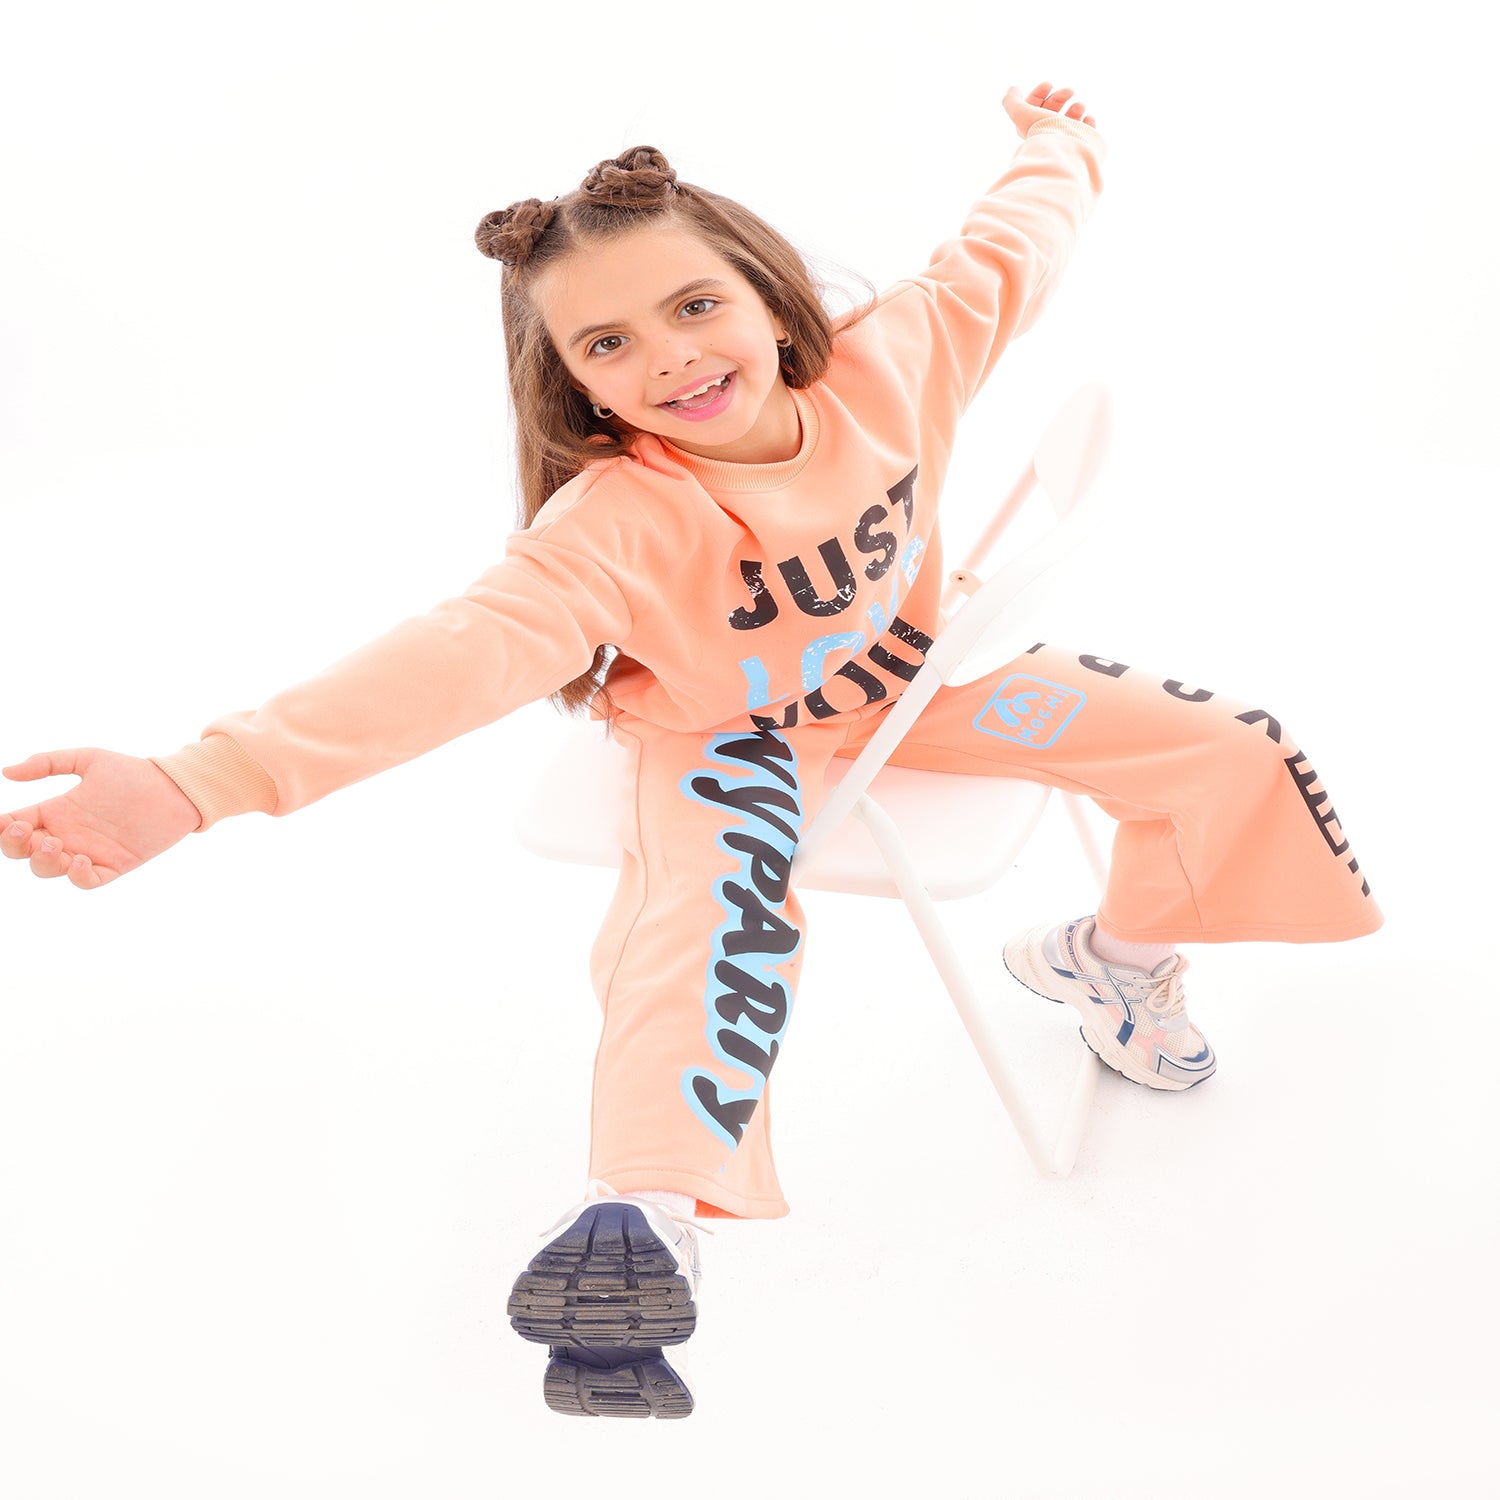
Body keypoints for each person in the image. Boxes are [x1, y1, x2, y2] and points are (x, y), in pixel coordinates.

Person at [1, 82, 1382, 1419]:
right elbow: (450, 657)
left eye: (695, 305)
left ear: (772, 299)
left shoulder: (899, 357)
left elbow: (1012, 251)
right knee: (704, 932)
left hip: (920, 684)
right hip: (726, 737)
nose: (667, 357)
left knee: (1235, 747)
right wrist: (193, 784)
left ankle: (1111, 962)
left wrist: (1056, 146)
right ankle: (644, 1220)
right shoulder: (615, 521)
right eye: (607, 343)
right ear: (577, 386)